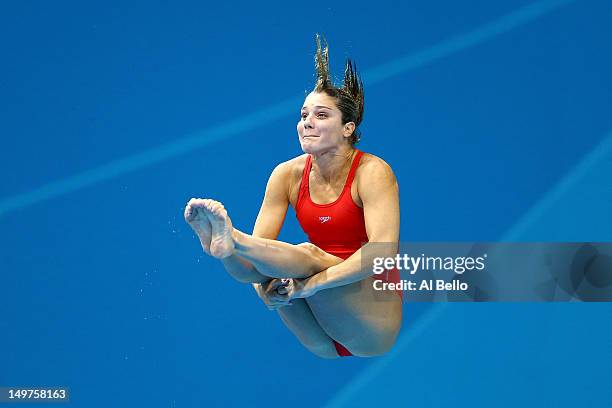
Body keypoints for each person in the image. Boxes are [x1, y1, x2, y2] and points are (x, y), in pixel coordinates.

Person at [184, 35, 402, 358]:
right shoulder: (285, 175)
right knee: (263, 267)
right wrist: (265, 294)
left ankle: (233, 236)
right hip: (319, 331)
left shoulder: (372, 172)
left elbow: (380, 254)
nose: (306, 123)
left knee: (307, 255)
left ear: (348, 128)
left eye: (321, 116)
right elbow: (254, 267)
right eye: (303, 115)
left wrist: (313, 284)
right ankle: (225, 246)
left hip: (372, 320)